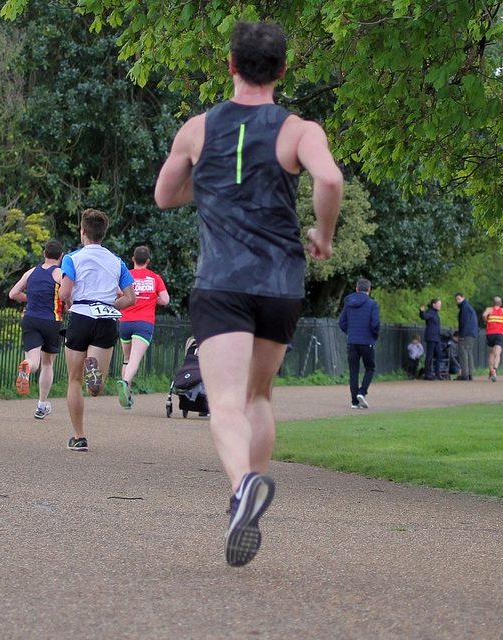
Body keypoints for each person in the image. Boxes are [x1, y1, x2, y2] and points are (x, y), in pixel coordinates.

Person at [153, 20, 343, 568]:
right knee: (259, 398)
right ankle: (250, 493)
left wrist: (206, 184)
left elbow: (166, 195)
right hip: (279, 283)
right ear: (282, 71)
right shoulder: (299, 130)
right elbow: (329, 181)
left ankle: (242, 490)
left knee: (226, 403)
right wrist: (323, 237)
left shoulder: (198, 128)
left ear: (231, 66)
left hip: (222, 283)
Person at [58, 209, 137, 452]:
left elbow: (64, 293)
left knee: (74, 380)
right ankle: (95, 374)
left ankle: (79, 436)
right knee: (95, 389)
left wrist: (69, 301)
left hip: (80, 316)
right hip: (105, 318)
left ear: (83, 231)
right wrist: (110, 303)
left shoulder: (72, 258)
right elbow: (130, 298)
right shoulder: (117, 262)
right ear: (103, 233)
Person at [9, 239, 65, 420]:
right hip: (51, 321)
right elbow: (66, 295)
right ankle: (41, 405)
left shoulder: (31, 272)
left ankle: (27, 367)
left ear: (44, 254)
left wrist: (31, 298)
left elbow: (13, 294)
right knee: (48, 364)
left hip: (30, 319)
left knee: (33, 360)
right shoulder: (60, 274)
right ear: (61, 256)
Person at [117, 245, 170, 410]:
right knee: (135, 359)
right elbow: (165, 300)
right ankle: (125, 383)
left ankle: (127, 395)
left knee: (126, 359)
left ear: (133, 259)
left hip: (125, 322)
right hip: (144, 323)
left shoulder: (127, 275)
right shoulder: (155, 278)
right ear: (147, 261)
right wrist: (153, 299)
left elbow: (118, 293)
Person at [338, 278, 380, 409]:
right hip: (367, 341)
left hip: (352, 342)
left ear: (356, 289)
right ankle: (362, 392)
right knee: (370, 368)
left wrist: (351, 333)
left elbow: (342, 323)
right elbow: (375, 324)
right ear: (369, 289)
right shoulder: (372, 304)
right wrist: (374, 335)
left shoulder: (348, 303)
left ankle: (354, 402)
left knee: (353, 372)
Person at [481, 296, 503, 381]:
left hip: (490, 333)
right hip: (500, 333)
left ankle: (491, 371)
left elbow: (484, 315)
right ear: (501, 303)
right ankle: (495, 370)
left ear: (493, 303)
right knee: (497, 353)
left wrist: (486, 321)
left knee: (491, 353)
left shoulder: (489, 309)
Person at [453, 293, 478, 380]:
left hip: (466, 333)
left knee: (463, 353)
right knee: (469, 353)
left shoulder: (464, 308)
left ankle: (465, 374)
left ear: (463, 298)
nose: (457, 301)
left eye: (459, 299)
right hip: (472, 333)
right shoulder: (469, 307)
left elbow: (463, 322)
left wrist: (461, 334)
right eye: (456, 299)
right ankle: (470, 374)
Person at [418, 299, 442, 380]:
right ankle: (427, 374)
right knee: (430, 355)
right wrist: (421, 311)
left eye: (440, 304)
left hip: (436, 338)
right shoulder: (430, 312)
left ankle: (437, 373)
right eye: (438, 304)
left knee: (439, 355)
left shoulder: (435, 313)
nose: (440, 305)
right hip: (431, 337)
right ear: (433, 304)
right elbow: (424, 316)